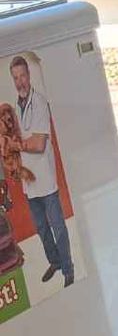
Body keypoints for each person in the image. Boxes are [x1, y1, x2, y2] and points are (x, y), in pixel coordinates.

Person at [10, 56, 71, 286]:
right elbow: (20, 141)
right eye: (15, 78)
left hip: (45, 181)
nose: (20, 82)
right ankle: (54, 262)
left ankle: (68, 270)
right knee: (42, 229)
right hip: (29, 183)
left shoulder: (40, 102)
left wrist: (17, 144)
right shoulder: (16, 107)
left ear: (29, 75)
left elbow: (39, 145)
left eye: (23, 76)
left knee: (58, 227)